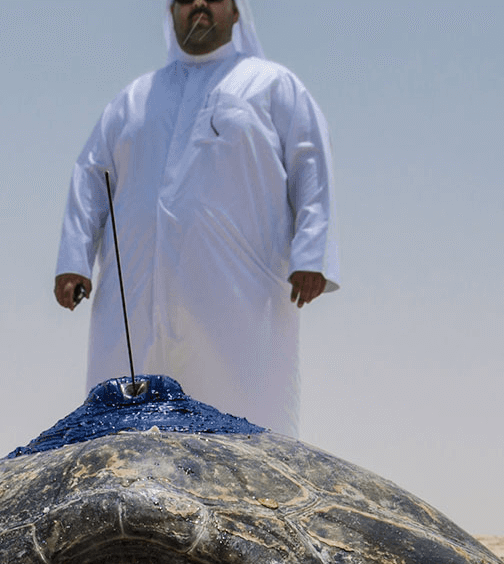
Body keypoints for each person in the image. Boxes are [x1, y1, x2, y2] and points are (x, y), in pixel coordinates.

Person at [54, 0, 338, 437]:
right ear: (170, 11)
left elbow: (311, 165)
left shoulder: (272, 86)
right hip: (134, 301)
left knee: (243, 428)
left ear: (238, 11)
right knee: (125, 435)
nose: (199, 5)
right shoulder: (134, 100)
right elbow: (91, 173)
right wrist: (74, 260)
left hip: (237, 301)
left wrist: (312, 254)